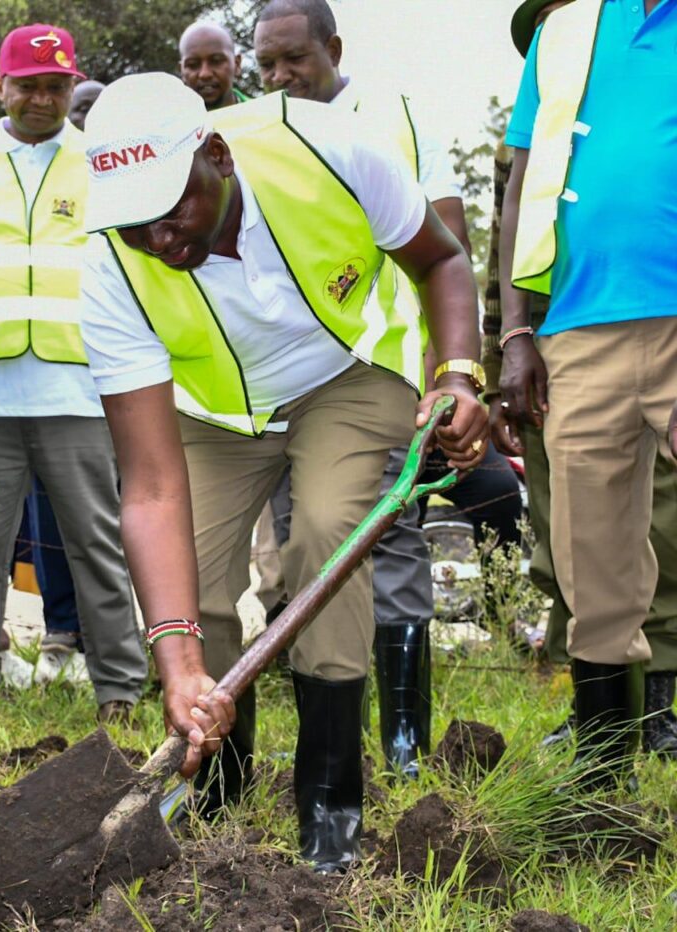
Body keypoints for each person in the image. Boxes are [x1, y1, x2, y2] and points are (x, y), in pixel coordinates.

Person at [80, 72, 487, 872]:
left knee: (328, 539)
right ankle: (218, 783)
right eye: (136, 226)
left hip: (349, 371)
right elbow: (153, 487)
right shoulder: (109, 274)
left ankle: (331, 798)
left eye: (173, 212)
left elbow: (442, 260)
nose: (159, 241)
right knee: (186, 583)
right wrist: (179, 662)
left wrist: (459, 375)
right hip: (216, 412)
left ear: (218, 157)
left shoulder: (326, 148)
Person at [253, 0, 520, 777]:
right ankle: (335, 732)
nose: (278, 79)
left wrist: (451, 375)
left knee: (393, 536)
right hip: (295, 377)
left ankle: (402, 738)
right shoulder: (255, 130)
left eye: (293, 60)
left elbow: (450, 255)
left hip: (391, 371)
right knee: (315, 541)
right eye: (266, 65)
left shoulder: (398, 121)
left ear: (333, 48)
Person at [485, 0, 677, 760]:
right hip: (576, 329)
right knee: (588, 556)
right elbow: (521, 186)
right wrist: (516, 333)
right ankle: (605, 773)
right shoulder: (561, 32)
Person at [0, 23, 147, 721]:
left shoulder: (103, 164)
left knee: (97, 544)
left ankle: (120, 687)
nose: (41, 98)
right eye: (27, 86)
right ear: (0, 87)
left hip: (78, 387)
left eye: (56, 86)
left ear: (72, 86)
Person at [178, 21, 249, 110]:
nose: (205, 74)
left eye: (216, 61)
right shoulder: (164, 122)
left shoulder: (266, 116)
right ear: (182, 70)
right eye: (193, 65)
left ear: (237, 64)